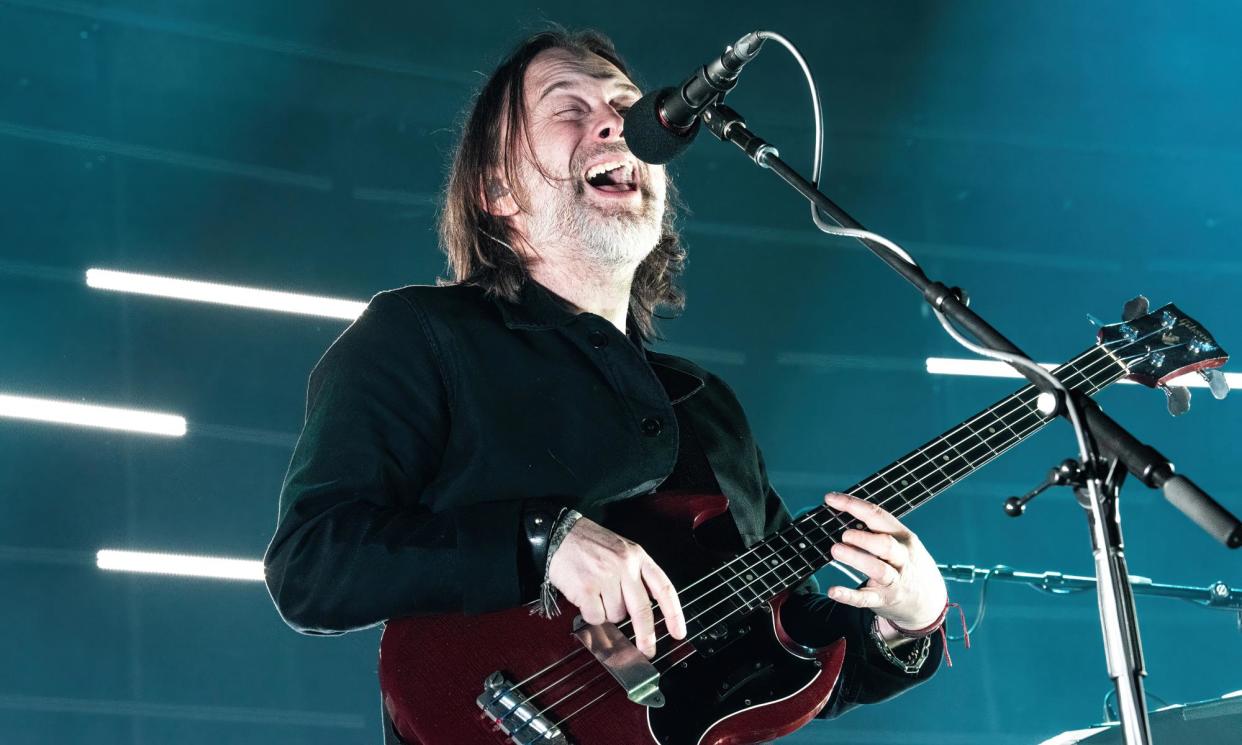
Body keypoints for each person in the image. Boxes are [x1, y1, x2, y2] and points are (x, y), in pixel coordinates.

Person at [263, 27, 950, 740]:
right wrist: (544, 540)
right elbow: (311, 564)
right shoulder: (421, 335)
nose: (619, 122)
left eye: (627, 105)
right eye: (570, 107)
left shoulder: (707, 407)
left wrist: (908, 619)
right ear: (497, 187)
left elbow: (774, 658)